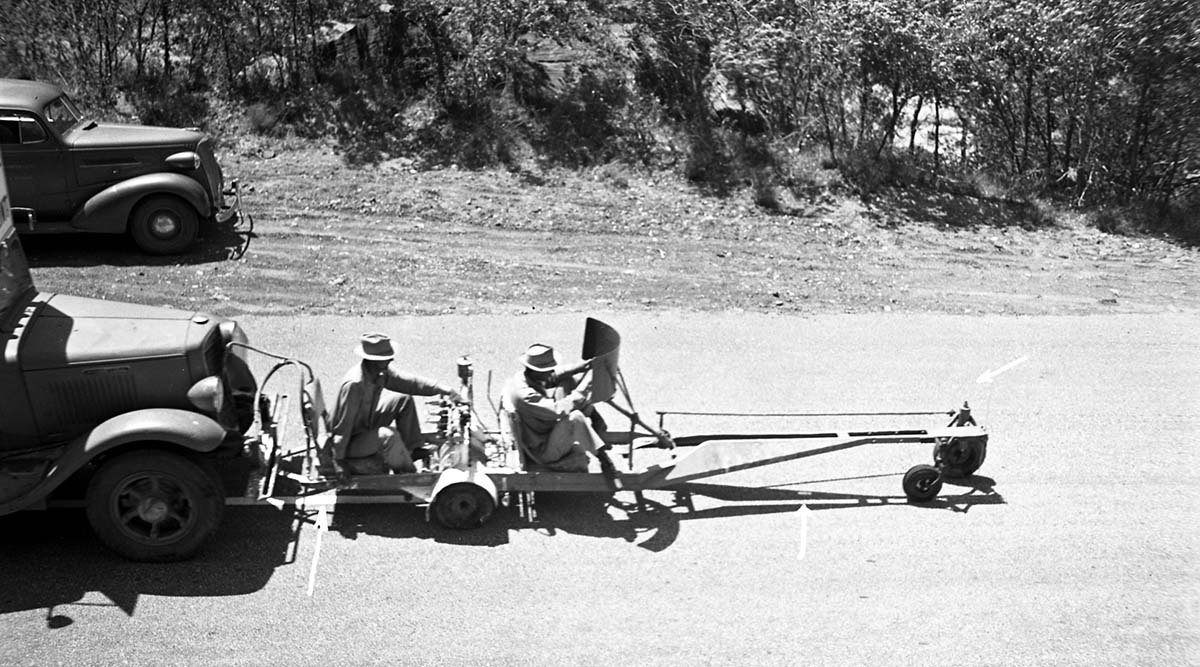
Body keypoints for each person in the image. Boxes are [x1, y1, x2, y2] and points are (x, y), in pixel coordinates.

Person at [328, 333, 463, 477]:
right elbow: (343, 428)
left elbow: (411, 383)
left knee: (403, 399)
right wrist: (338, 462)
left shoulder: (379, 372)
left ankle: (412, 449)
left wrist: (443, 389)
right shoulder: (354, 385)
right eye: (386, 358)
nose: (391, 359)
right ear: (373, 361)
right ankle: (409, 476)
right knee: (388, 435)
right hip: (351, 441)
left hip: (365, 425)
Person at [502, 343, 615, 477]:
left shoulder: (524, 377)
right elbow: (557, 410)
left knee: (567, 381)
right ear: (536, 371)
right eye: (548, 370)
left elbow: (556, 376)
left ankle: (595, 422)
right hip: (542, 450)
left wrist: (580, 367)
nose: (552, 373)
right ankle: (603, 458)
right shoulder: (525, 395)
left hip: (542, 430)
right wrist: (584, 388)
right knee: (575, 418)